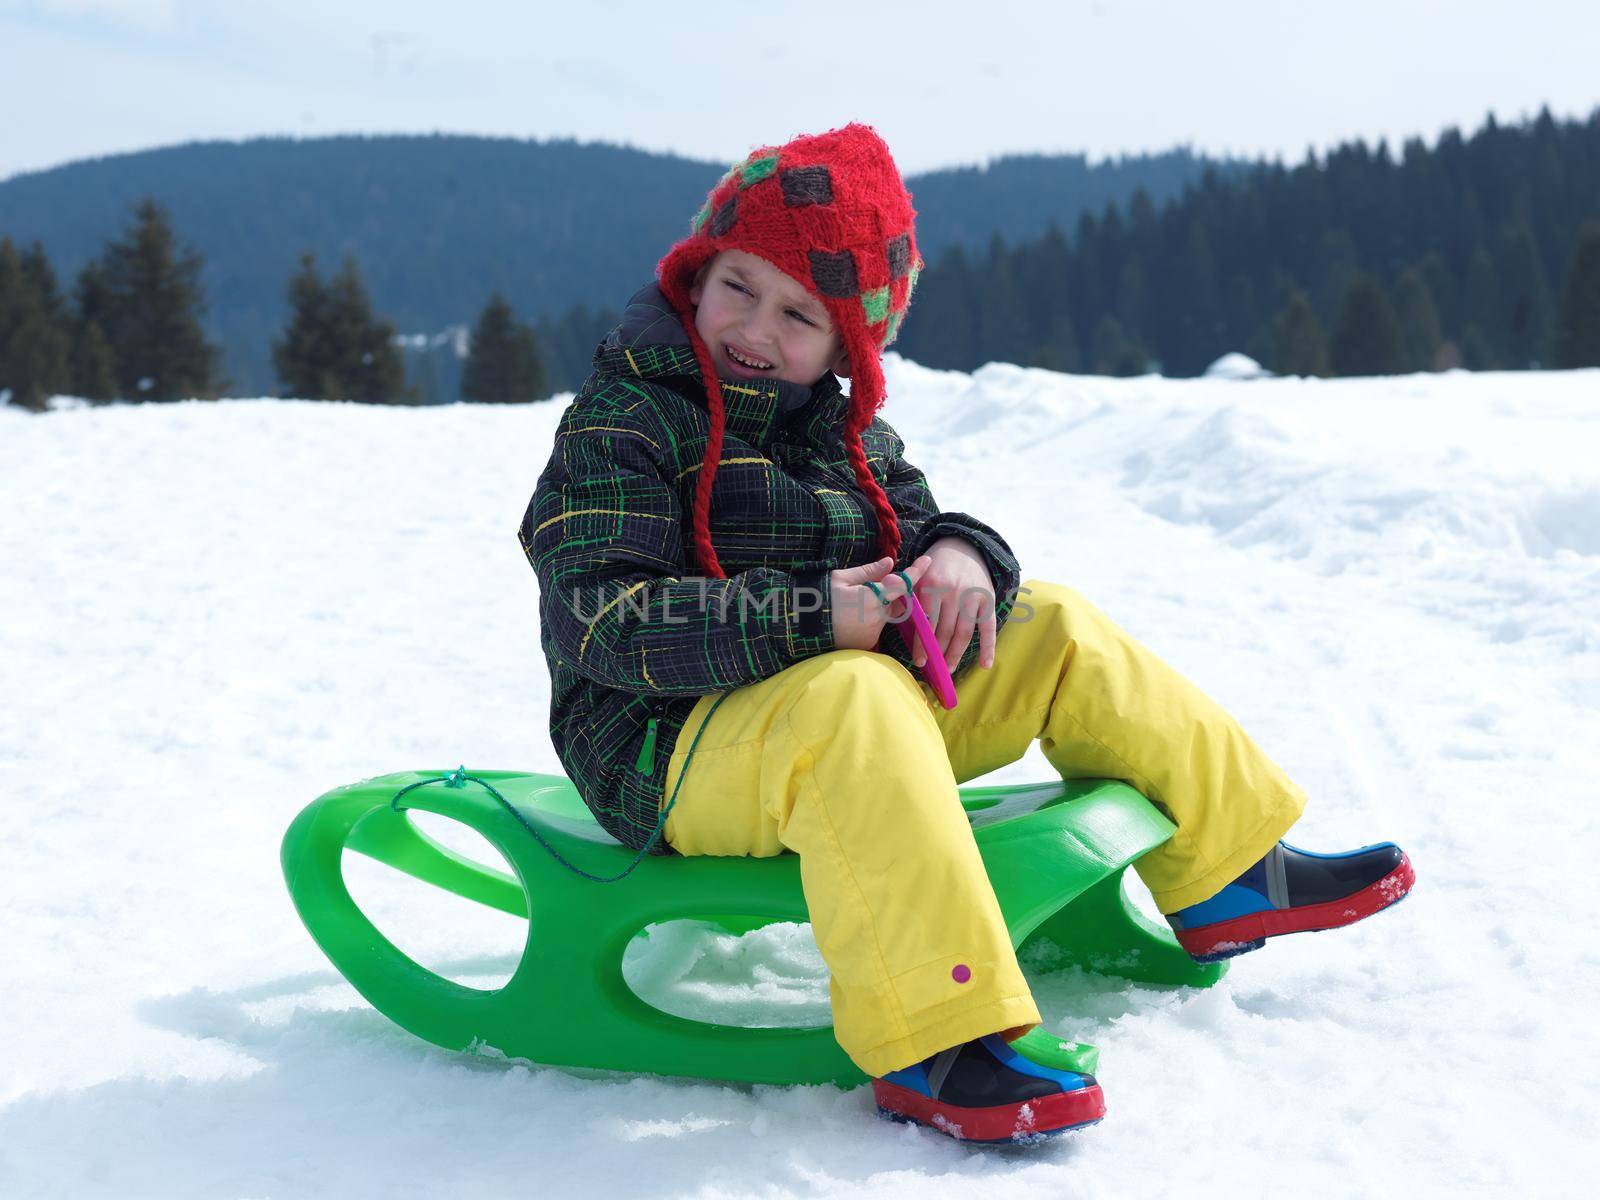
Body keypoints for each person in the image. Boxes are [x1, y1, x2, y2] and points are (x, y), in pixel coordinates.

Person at [519, 123, 1414, 1144]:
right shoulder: (625, 419)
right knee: (848, 694)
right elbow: (599, 615)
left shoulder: (841, 429)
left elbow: (926, 524)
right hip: (664, 749)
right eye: (737, 287)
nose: (756, 330)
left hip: (832, 725)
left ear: (845, 344)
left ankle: (1229, 868)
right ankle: (936, 1038)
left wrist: (962, 558)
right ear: (694, 278)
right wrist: (818, 617)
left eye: (799, 312)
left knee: (1050, 625)